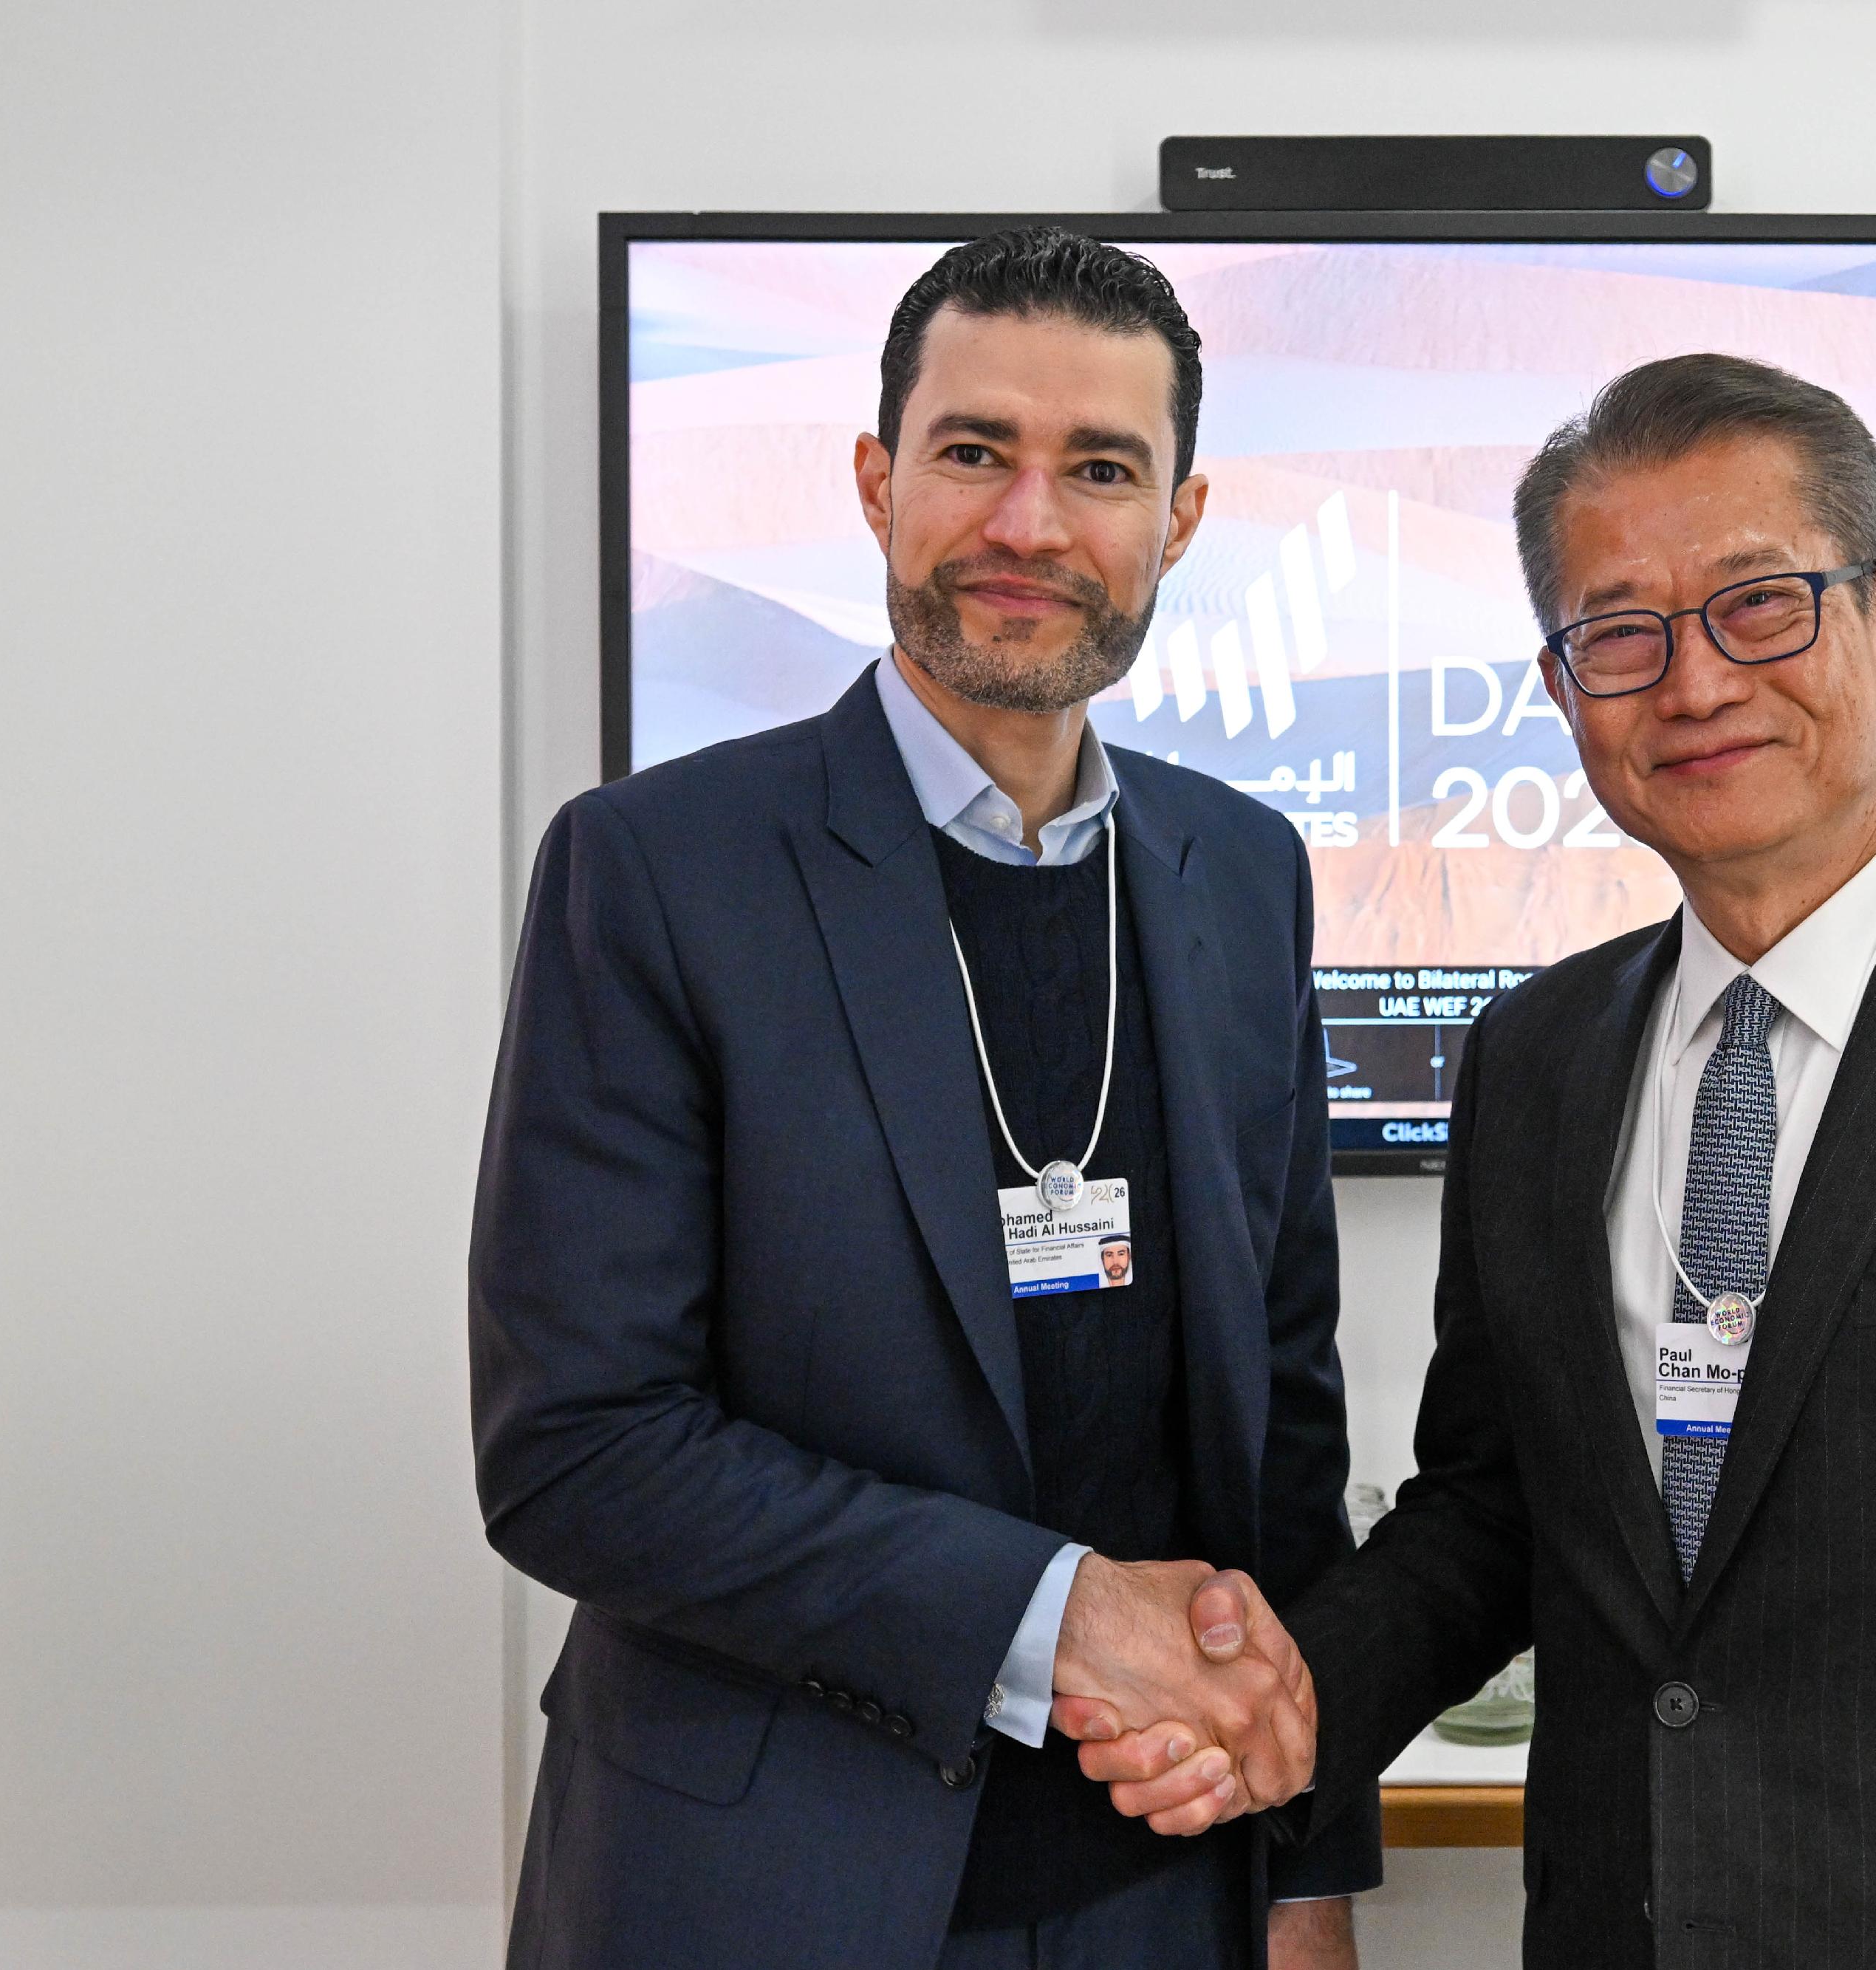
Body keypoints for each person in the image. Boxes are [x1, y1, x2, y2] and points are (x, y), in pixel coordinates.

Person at [1069, 354, 1876, 1968]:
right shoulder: (1536, 1057)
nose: (1691, 685)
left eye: (1758, 605)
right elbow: (1497, 1511)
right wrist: (1281, 1700)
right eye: (1619, 633)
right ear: (1558, 695)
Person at [471, 227, 1368, 1970]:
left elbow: (1284, 1418)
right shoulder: (657, 869)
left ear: (1177, 520)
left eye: (1099, 467)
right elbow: (575, 1447)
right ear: (880, 480)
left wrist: (1305, 1861)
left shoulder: (1237, 869)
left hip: (1164, 1889)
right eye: (974, 452)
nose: (1028, 525)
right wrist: (1049, 1614)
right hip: (766, 1889)